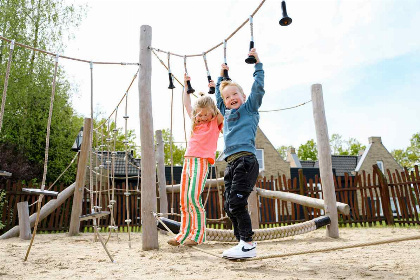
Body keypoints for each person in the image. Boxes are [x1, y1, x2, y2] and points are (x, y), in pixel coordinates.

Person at [215, 48, 264, 259]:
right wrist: (221, 77)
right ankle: (241, 244)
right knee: (229, 205)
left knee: (236, 202)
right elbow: (217, 97)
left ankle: (248, 243)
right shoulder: (225, 114)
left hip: (246, 161)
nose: (231, 98)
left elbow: (258, 89)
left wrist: (257, 65)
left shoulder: (249, 109)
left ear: (243, 96)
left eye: (235, 94)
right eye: (227, 96)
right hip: (231, 164)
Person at [167, 74, 224, 247]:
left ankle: (198, 235)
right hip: (188, 161)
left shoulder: (215, 122)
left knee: (193, 196)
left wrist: (215, 91)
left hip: (202, 161)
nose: (203, 117)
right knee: (184, 199)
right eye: (200, 114)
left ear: (212, 113)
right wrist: (186, 86)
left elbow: (222, 109)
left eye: (206, 114)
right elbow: (186, 103)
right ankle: (183, 234)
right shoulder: (196, 121)